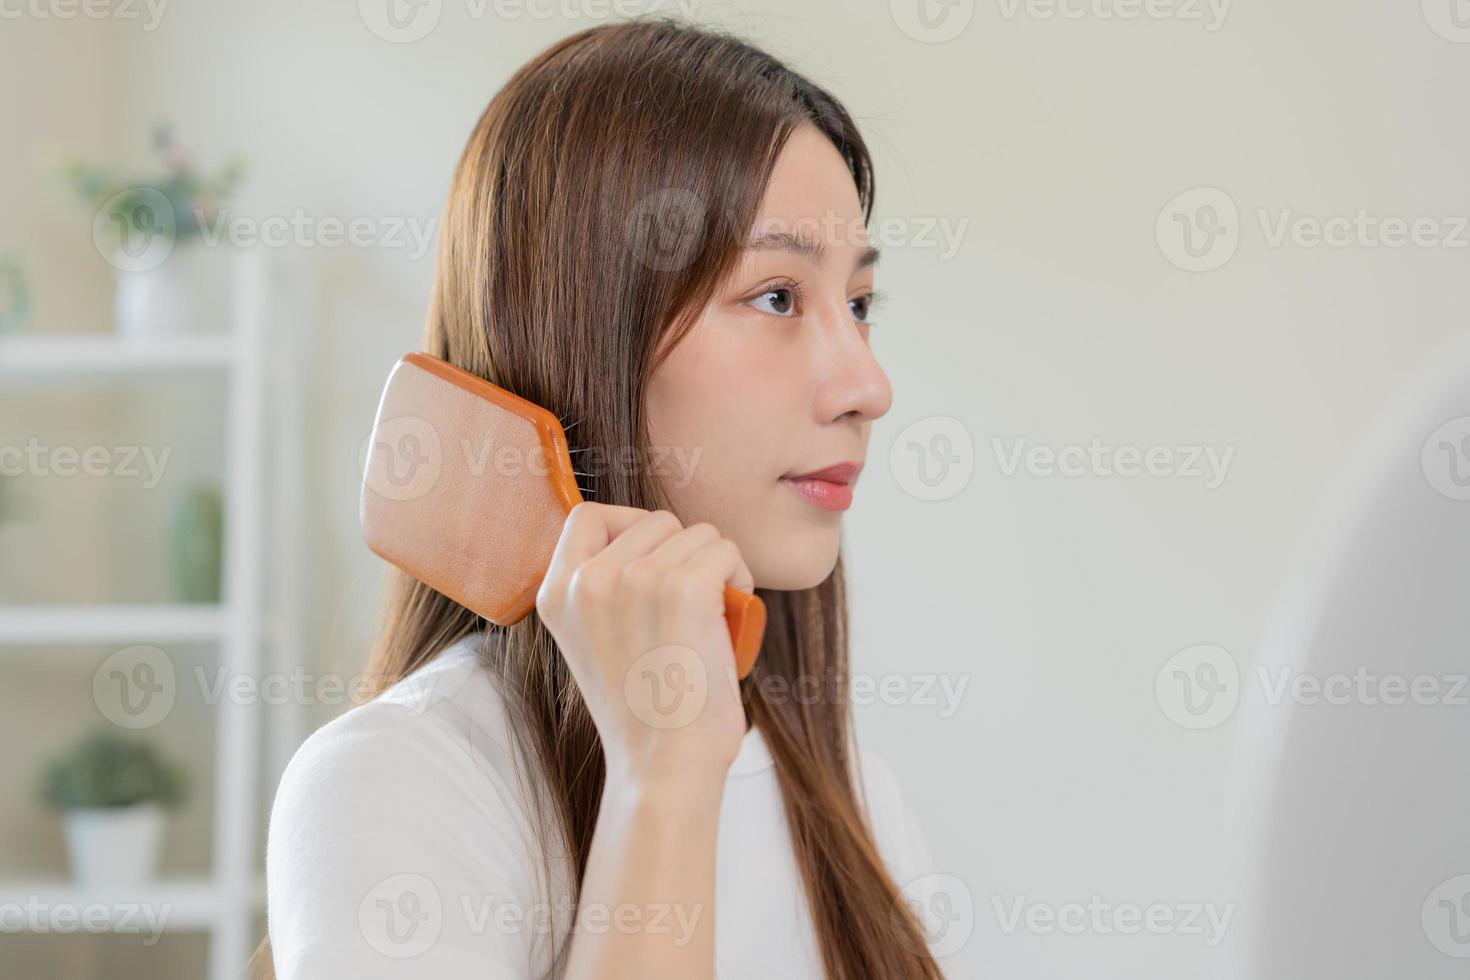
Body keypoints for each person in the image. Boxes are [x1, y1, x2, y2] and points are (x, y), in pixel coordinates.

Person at [262, 18, 946, 980]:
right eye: (779, 297)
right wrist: (659, 779)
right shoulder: (397, 784)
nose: (867, 386)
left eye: (859, 305)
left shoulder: (858, 809)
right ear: (588, 326)